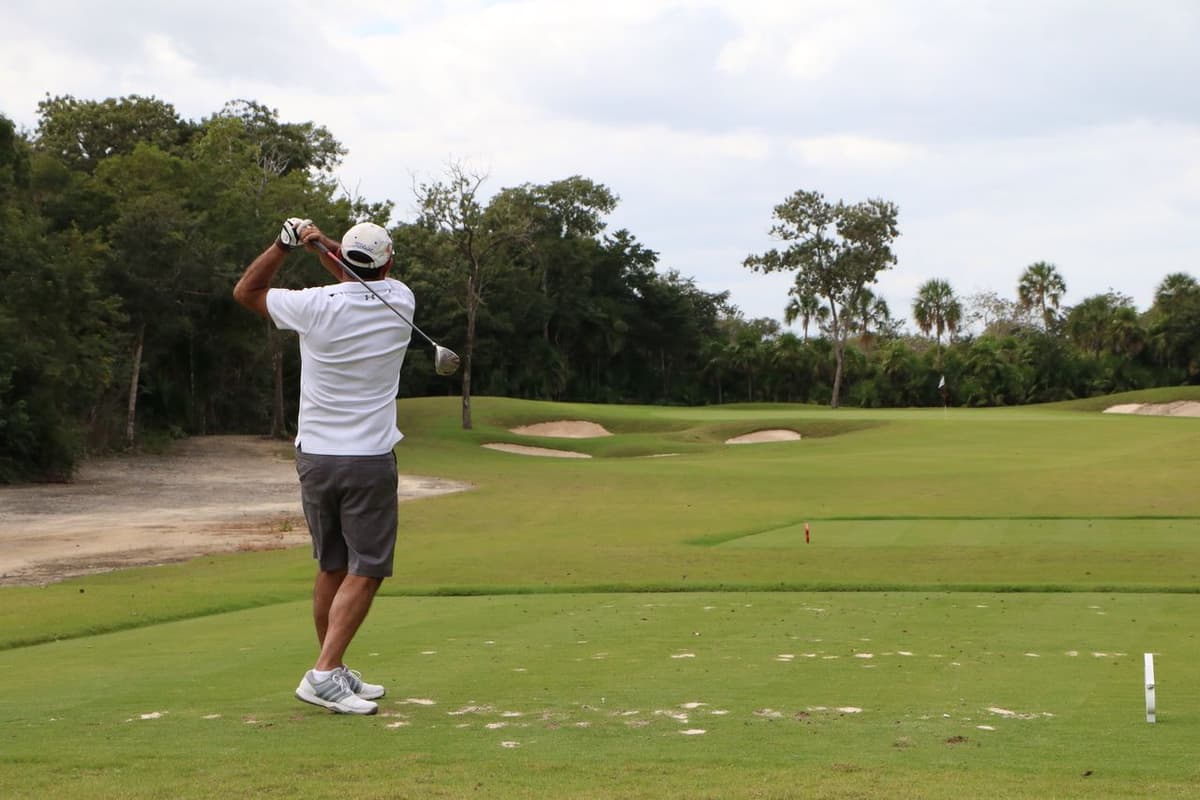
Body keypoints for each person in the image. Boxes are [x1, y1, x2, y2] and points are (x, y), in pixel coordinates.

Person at [233, 218, 415, 715]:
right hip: (368, 460)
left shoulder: (311, 304)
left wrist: (286, 244)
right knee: (368, 567)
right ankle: (322, 672)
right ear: (389, 263)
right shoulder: (401, 300)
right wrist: (322, 244)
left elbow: (247, 290)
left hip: (314, 458)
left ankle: (331, 670)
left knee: (333, 564)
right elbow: (356, 271)